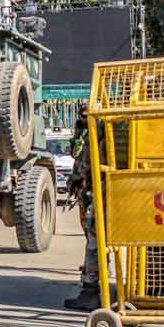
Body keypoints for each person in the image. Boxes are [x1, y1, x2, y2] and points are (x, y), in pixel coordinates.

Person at [64, 105, 101, 311]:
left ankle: (90, 290)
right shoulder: (88, 133)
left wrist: (75, 178)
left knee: (94, 241)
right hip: (95, 190)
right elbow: (75, 153)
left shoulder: (98, 132)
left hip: (98, 192)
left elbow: (83, 165)